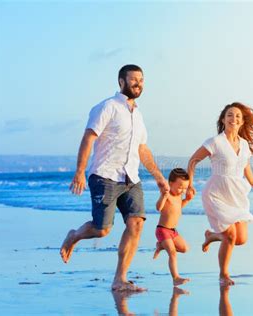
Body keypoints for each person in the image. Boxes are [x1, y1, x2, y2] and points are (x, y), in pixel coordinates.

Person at [60, 64, 170, 292]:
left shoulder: (138, 115)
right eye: (133, 79)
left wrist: (159, 177)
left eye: (141, 80)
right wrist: (80, 171)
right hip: (105, 176)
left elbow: (143, 149)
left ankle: (120, 278)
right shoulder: (106, 107)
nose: (138, 83)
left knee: (137, 223)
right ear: (121, 82)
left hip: (131, 178)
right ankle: (75, 235)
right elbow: (89, 138)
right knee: (102, 230)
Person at [186, 102, 253, 286]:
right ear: (223, 120)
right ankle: (223, 274)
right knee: (230, 235)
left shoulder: (244, 144)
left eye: (237, 116)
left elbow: (244, 163)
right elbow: (193, 160)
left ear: (242, 121)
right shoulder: (215, 142)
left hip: (236, 194)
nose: (234, 119)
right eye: (230, 115)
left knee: (240, 239)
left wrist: (252, 180)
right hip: (216, 193)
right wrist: (190, 184)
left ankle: (212, 236)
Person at [153, 168, 193, 286]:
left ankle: (161, 245)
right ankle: (176, 277)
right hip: (162, 230)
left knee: (184, 248)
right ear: (170, 183)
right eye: (180, 187)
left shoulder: (179, 197)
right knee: (173, 253)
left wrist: (187, 200)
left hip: (173, 231)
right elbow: (158, 208)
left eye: (185, 188)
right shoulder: (168, 195)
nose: (183, 190)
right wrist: (163, 196)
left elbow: (178, 208)